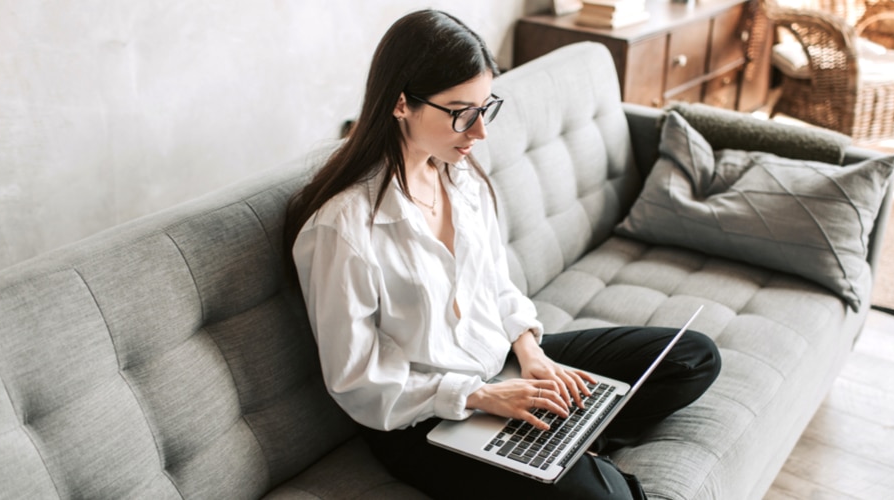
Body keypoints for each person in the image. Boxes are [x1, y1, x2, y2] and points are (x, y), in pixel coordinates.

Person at [285, 9, 721, 500]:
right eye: (461, 113)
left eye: (484, 107)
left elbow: (497, 286)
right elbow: (357, 381)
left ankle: (566, 437)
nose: (480, 132)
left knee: (692, 357)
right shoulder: (343, 228)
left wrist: (532, 355)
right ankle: (568, 450)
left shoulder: (460, 176)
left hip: (502, 368)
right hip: (424, 418)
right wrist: (481, 396)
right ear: (401, 104)